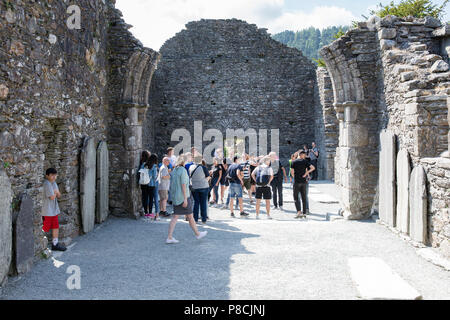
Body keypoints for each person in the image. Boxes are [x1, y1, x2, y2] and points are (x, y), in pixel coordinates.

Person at [166, 154, 207, 244]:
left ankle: (170, 237)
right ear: (184, 161)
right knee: (190, 216)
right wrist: (185, 198)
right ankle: (197, 234)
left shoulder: (174, 170)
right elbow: (184, 185)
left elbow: (172, 184)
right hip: (183, 197)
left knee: (176, 217)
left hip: (176, 197)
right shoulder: (183, 171)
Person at [42, 168, 66, 251]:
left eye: (55, 175)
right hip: (47, 210)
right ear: (47, 175)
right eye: (52, 175)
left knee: (56, 226)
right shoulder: (47, 184)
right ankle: (41, 245)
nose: (54, 177)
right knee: (45, 227)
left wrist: (55, 192)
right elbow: (52, 197)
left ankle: (55, 243)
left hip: (54, 209)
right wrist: (55, 192)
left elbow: (59, 195)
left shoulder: (54, 183)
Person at [291, 151, 315, 218]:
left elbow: (292, 172)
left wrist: (295, 177)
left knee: (296, 197)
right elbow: (313, 168)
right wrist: (306, 173)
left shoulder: (294, 162)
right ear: (302, 155)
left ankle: (299, 211)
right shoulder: (305, 162)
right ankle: (304, 213)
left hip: (296, 181)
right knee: (304, 197)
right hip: (304, 182)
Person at [189, 155, 211, 224]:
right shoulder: (203, 167)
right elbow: (208, 177)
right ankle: (203, 219)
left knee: (196, 203)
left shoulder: (191, 167)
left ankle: (195, 219)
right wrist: (203, 181)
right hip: (203, 187)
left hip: (194, 187)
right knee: (203, 203)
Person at [138, 150, 152, 217]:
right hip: (148, 182)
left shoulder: (141, 163)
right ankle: (147, 212)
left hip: (142, 182)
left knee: (144, 197)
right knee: (148, 197)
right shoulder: (148, 163)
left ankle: (145, 211)